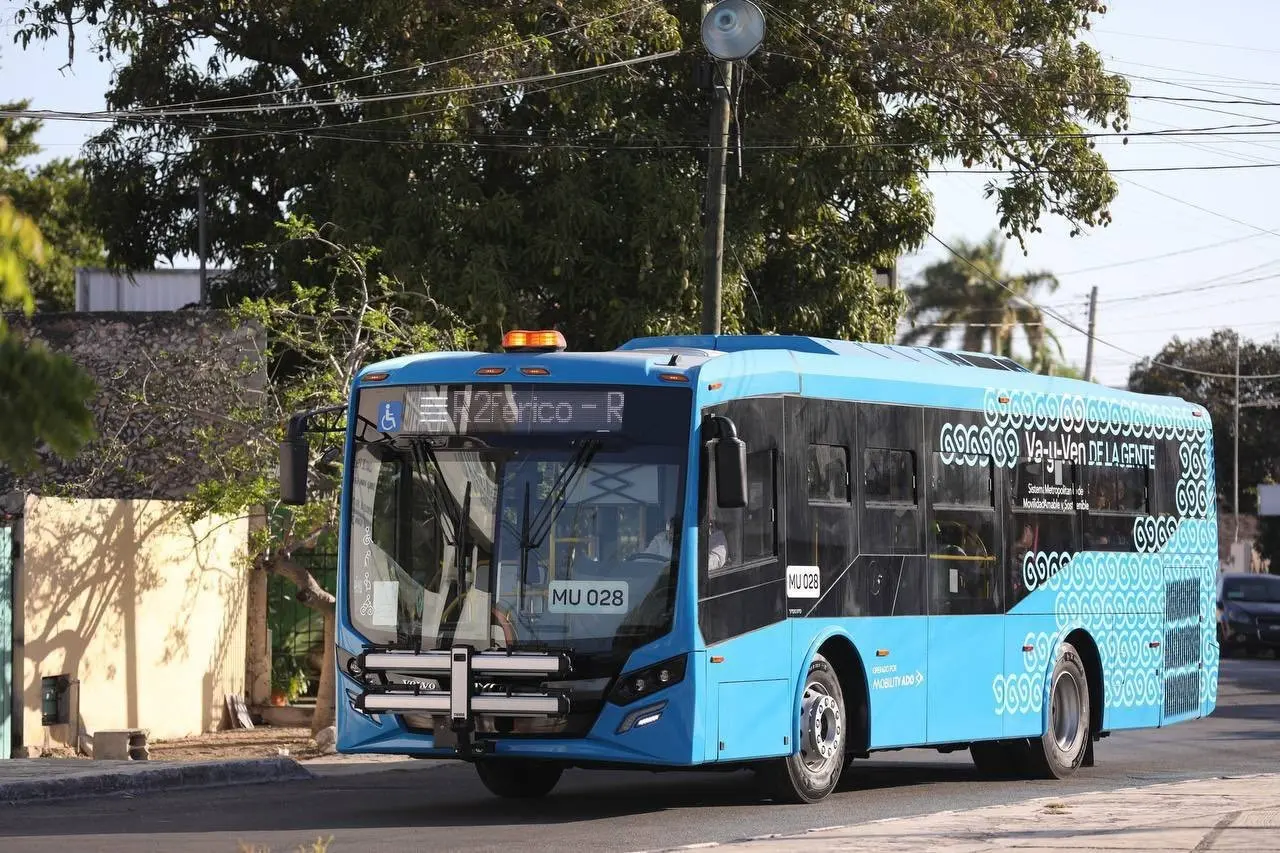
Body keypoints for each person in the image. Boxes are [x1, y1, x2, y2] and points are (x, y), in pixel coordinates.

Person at [644, 516, 728, 572]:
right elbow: (646, 558)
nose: (671, 532)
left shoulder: (715, 537)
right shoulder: (661, 538)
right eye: (672, 527)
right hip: (661, 583)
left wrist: (678, 565)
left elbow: (715, 560)